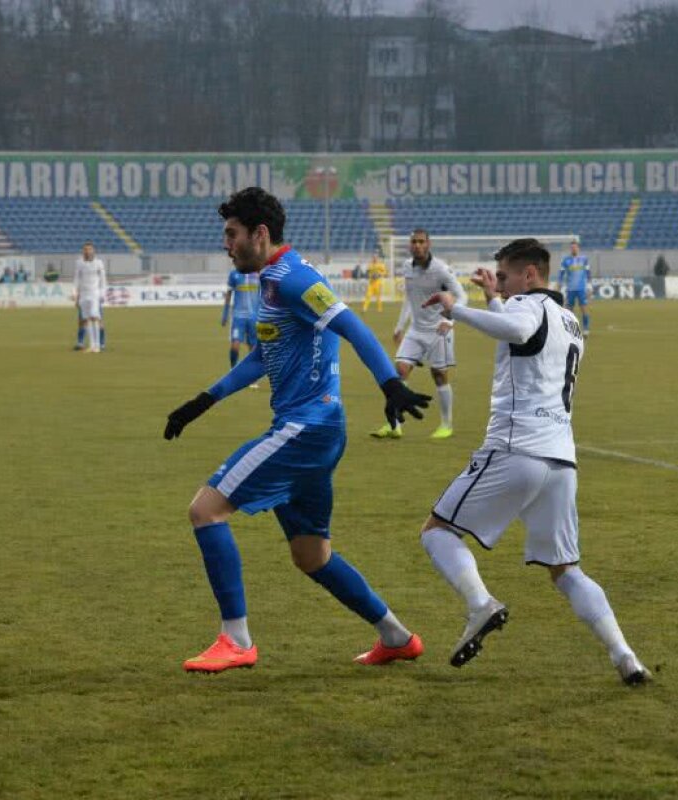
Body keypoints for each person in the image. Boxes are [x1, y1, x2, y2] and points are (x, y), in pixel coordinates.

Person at [164, 187, 432, 673]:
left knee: (205, 511)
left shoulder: (293, 278)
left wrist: (390, 383)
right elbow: (265, 356)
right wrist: (203, 401)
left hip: (307, 428)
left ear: (259, 234)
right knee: (312, 556)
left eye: (232, 234)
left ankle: (237, 639)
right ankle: (396, 636)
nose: (226, 244)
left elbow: (353, 326)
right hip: (314, 431)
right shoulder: (272, 282)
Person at [417, 238, 652, 685]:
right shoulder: (569, 319)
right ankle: (625, 656)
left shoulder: (527, 306)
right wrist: (492, 297)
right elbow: (525, 330)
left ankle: (480, 604)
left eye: (504, 275)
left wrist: (457, 309)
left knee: (436, 532)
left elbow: (520, 330)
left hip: (515, 446)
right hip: (561, 460)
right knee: (566, 571)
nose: (500, 282)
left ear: (529, 275)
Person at [370, 228, 466, 440]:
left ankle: (446, 425)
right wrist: (399, 326)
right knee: (399, 372)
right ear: (410, 245)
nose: (418, 245)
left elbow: (462, 296)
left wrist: (449, 320)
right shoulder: (406, 267)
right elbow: (409, 299)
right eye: (414, 242)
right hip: (416, 330)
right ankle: (393, 425)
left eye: (422, 241)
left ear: (428, 244)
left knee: (439, 375)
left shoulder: (441, 269)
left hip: (439, 331)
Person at [221, 266, 260, 368]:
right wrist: (225, 313)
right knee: (235, 345)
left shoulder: (258, 274)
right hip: (238, 317)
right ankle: (233, 369)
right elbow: (229, 294)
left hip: (255, 317)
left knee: (253, 348)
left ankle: (252, 375)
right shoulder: (234, 274)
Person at [73, 241, 106, 354]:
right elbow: (77, 278)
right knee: (86, 319)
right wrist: (75, 293)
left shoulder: (99, 263)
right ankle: (91, 345)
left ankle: (98, 345)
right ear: (83, 251)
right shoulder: (79, 263)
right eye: (85, 249)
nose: (87, 251)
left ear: (93, 250)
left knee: (94, 317)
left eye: (89, 249)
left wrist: (102, 294)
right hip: (83, 294)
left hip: (94, 293)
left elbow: (103, 280)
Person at [558, 240, 591, 333]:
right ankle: (571, 330)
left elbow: (588, 273)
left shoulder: (584, 259)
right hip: (570, 289)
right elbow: (561, 273)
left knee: (584, 308)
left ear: (578, 248)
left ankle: (586, 329)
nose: (574, 249)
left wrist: (589, 285)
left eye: (575, 247)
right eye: (572, 247)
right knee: (569, 311)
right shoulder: (566, 260)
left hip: (581, 288)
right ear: (570, 249)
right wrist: (560, 284)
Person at [361, 248, 387, 313]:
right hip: (371, 283)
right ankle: (364, 308)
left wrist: (379, 274)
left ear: (377, 258)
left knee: (378, 297)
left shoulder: (380, 265)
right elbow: (367, 273)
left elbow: (385, 272)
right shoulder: (370, 265)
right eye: (373, 257)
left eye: (375, 257)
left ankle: (379, 309)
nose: (374, 259)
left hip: (378, 283)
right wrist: (370, 275)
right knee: (368, 295)